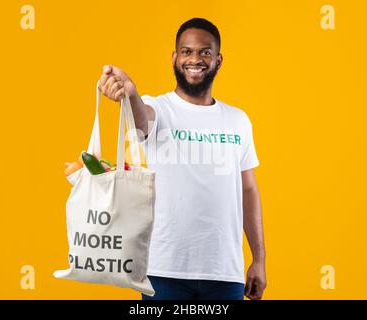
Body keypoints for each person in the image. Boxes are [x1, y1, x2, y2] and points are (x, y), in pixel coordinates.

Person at [98, 18, 266, 300]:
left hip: (224, 272)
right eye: (186, 51)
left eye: (205, 52)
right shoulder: (157, 108)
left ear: (218, 60)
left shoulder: (238, 121)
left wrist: (259, 259)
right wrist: (131, 94)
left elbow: (248, 190)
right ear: (175, 58)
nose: (195, 59)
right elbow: (142, 119)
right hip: (163, 270)